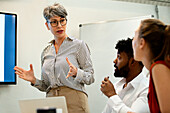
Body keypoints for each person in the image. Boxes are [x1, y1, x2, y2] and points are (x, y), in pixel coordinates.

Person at [14, 3, 94, 113]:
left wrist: (77, 72)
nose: (59, 25)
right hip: (52, 101)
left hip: (75, 100)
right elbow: (46, 86)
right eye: (54, 22)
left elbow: (90, 77)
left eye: (62, 20)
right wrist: (34, 80)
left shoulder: (78, 46)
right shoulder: (46, 52)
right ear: (47, 25)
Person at [100, 38, 150, 113]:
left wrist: (112, 95)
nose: (115, 61)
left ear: (132, 61)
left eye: (119, 57)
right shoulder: (118, 86)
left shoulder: (146, 89)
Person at [132, 19, 170, 113]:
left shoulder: (158, 68)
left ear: (141, 43)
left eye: (134, 36)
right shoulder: (156, 68)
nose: (132, 41)